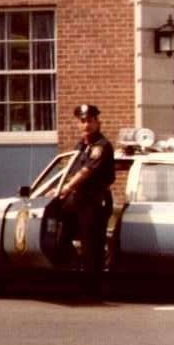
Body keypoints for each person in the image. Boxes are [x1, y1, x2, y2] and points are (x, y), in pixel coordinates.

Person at [59, 104, 115, 298]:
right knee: (62, 235)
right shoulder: (81, 146)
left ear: (97, 122)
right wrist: (56, 187)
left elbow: (86, 172)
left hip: (94, 201)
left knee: (91, 245)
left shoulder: (101, 146)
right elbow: (71, 171)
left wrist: (66, 188)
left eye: (90, 121)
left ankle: (93, 289)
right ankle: (79, 274)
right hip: (79, 201)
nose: (86, 125)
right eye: (83, 121)